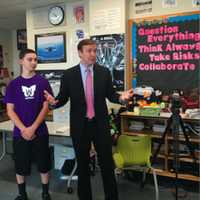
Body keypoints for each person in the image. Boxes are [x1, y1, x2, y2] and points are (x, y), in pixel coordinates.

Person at [44, 39, 133, 200]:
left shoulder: (104, 72)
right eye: (89, 51)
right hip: (80, 127)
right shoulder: (69, 74)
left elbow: (111, 95)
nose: (93, 54)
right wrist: (53, 103)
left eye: (94, 51)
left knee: (107, 165)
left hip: (100, 125)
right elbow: (62, 98)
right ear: (80, 53)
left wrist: (122, 98)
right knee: (83, 167)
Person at [4, 49, 53, 200]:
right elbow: (10, 110)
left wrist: (32, 128)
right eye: (30, 59)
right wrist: (24, 129)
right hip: (20, 133)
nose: (33, 62)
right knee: (20, 165)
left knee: (43, 164)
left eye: (35, 60)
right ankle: (22, 194)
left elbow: (46, 107)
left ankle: (45, 193)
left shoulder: (43, 82)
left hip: (40, 131)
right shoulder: (13, 84)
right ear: (21, 61)